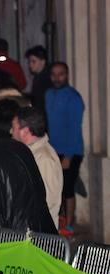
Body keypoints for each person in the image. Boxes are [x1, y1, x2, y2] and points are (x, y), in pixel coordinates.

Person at [45, 62, 85, 236]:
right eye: (54, 74)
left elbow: (75, 128)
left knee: (68, 187)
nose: (57, 77)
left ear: (67, 75)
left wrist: (68, 155)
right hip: (54, 149)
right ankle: (60, 220)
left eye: (60, 74)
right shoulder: (48, 94)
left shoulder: (73, 97)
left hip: (71, 150)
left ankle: (69, 224)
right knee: (56, 187)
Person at [11, 106, 63, 229]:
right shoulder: (32, 154)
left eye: (14, 128)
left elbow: (48, 201)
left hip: (40, 237)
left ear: (25, 131)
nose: (11, 132)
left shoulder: (44, 159)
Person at [25, 45, 51, 110]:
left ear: (43, 62)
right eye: (29, 62)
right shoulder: (37, 77)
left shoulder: (46, 79)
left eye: (33, 61)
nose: (30, 65)